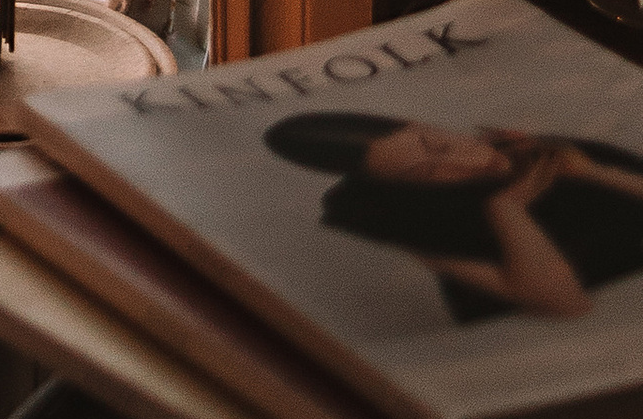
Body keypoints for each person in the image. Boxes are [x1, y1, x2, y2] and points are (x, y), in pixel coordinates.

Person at [264, 109, 643, 323]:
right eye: (428, 172)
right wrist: (507, 210)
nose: (464, 162)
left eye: (440, 144)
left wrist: (593, 172)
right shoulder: (406, 218)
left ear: (432, 126)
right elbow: (565, 304)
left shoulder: (542, 151)